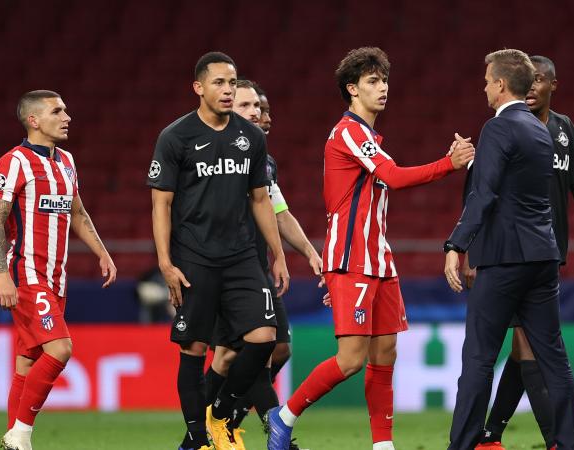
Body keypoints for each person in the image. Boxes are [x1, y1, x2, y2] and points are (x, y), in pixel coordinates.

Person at [267, 47, 474, 450]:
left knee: (386, 353)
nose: (383, 88)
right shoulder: (348, 131)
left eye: (384, 80)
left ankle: (383, 445)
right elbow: (394, 178)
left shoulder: (372, 138)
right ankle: (284, 415)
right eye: (372, 82)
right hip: (351, 258)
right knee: (351, 359)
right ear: (352, 89)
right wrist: (448, 164)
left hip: (379, 259)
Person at [474, 56, 574, 450]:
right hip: (512, 253)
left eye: (542, 81)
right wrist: (473, 249)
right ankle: (550, 440)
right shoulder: (506, 129)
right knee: (529, 346)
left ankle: (493, 435)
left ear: (553, 86)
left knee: (528, 346)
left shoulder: (564, 129)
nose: (535, 87)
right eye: (531, 80)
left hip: (547, 252)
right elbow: (484, 193)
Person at [148, 52, 289, 450]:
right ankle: (196, 438)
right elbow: (161, 204)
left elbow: (261, 200)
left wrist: (277, 254)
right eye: (219, 83)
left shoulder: (251, 137)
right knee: (194, 350)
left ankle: (222, 413)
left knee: (264, 338)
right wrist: (165, 262)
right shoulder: (176, 137)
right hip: (194, 256)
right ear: (198, 88)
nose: (227, 90)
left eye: (232, 83)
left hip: (242, 255)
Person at [443, 49, 574, 450]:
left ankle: (465, 444)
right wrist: (476, 162)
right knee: (554, 357)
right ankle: (568, 443)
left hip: (504, 258)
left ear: (501, 84)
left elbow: (485, 195)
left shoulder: (498, 128)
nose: (485, 87)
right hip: (543, 257)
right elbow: (514, 189)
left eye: (488, 80)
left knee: (479, 358)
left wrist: (456, 244)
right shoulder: (541, 130)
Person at [0, 90, 117, 450]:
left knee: (27, 361)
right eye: (57, 111)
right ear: (34, 120)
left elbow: (77, 211)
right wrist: (2, 274)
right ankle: (21, 434)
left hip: (57, 278)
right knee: (60, 349)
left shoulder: (66, 161)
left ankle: (13, 438)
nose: (67, 116)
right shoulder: (12, 162)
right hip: (26, 274)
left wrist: (101, 251)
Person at [204, 80, 321, 450]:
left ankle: (219, 424)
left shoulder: (263, 160)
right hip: (223, 270)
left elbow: (279, 213)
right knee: (233, 353)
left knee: (277, 349)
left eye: (259, 106)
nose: (257, 113)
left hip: (256, 269)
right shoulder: (210, 154)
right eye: (248, 105)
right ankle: (269, 434)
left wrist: (306, 252)